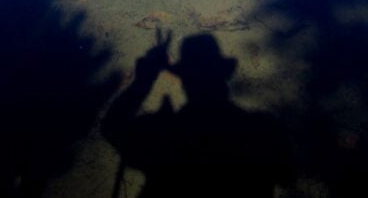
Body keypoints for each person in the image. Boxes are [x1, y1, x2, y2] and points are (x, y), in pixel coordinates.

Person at [102, 30, 291, 197]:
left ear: (184, 79)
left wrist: (143, 80)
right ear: (223, 75)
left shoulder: (165, 135)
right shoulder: (264, 130)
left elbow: (112, 126)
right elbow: (287, 178)